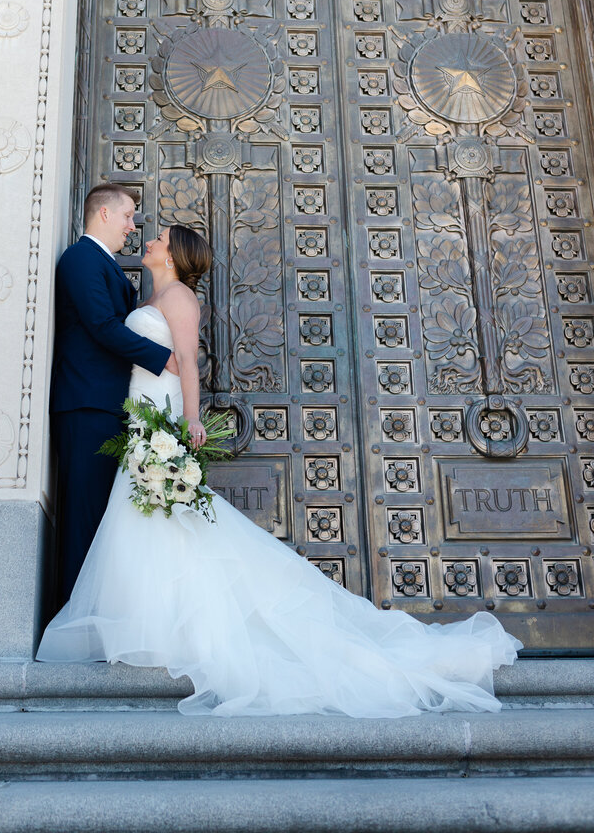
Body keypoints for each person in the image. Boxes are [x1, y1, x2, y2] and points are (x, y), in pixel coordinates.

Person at [38, 223, 521, 717]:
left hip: (159, 420)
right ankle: (152, 630)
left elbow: (187, 362)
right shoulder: (152, 294)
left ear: (175, 255)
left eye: (160, 237)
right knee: (148, 527)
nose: (151, 241)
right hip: (140, 418)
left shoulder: (179, 297)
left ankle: (169, 634)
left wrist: (188, 425)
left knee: (164, 526)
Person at [49, 183, 177, 605]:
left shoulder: (102, 263)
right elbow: (103, 327)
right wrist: (163, 358)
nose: (132, 225)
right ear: (104, 215)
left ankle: (94, 616)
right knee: (83, 519)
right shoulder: (81, 259)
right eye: (127, 216)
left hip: (106, 407)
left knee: (104, 520)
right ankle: (73, 622)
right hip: (85, 406)